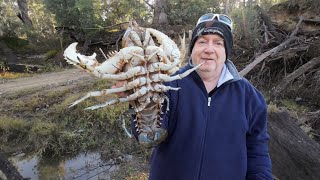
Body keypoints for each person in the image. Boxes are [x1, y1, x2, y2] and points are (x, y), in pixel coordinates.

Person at [118, 13, 273, 179]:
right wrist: (137, 97)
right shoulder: (168, 84)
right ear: (192, 49)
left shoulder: (249, 97)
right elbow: (147, 136)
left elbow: (257, 151)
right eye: (202, 41)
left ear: (227, 52)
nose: (209, 49)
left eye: (218, 43)